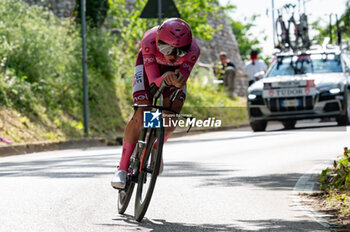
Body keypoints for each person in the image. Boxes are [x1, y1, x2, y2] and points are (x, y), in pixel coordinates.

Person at [111, 18, 200, 189]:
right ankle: (122, 168)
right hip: (148, 68)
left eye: (180, 51)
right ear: (158, 41)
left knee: (172, 115)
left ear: (188, 48)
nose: (173, 56)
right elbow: (153, 82)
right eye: (166, 49)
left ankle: (155, 148)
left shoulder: (194, 50)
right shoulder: (149, 41)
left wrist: (179, 81)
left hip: (172, 73)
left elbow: (182, 80)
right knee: (143, 110)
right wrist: (163, 79)